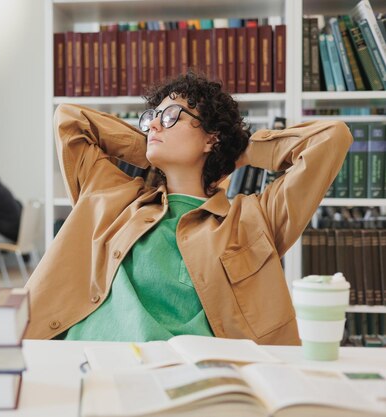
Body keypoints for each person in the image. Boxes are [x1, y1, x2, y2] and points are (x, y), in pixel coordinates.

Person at [24, 72, 353, 345]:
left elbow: (332, 138)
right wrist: (149, 146)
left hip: (191, 376)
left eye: (170, 117)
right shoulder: (113, 196)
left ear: (212, 138)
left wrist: (241, 150)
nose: (154, 125)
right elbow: (70, 119)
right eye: (151, 119)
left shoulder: (254, 219)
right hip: (91, 363)